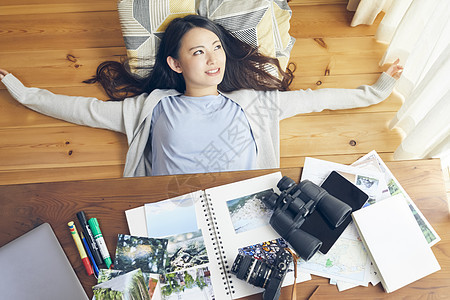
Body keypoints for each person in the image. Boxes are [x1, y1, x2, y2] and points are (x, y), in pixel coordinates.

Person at [0, 15, 403, 177]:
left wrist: (378, 90)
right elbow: (84, 110)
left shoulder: (255, 103)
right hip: (168, 211)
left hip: (243, 206)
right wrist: (24, 94)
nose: (213, 59)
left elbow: (320, 99)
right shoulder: (152, 107)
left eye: (216, 48)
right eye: (198, 51)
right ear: (176, 64)